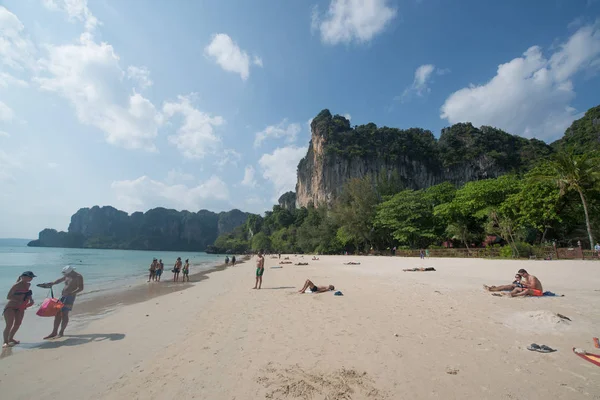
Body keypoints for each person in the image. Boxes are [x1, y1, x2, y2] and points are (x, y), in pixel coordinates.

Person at [38, 266, 84, 339]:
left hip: (70, 297)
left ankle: (61, 332)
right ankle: (54, 332)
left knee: (64, 314)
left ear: (72, 271)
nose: (66, 275)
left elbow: (81, 288)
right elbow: (60, 280)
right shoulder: (67, 275)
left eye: (67, 273)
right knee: (57, 313)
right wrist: (52, 283)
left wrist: (71, 293)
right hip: (62, 296)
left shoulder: (78, 276)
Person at [3, 271, 36, 348]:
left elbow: (28, 293)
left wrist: (31, 300)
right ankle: (5, 342)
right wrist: (19, 301)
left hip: (21, 307)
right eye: (30, 277)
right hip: (10, 307)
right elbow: (8, 297)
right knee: (9, 325)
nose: (31, 279)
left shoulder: (28, 284)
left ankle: (10, 338)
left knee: (18, 324)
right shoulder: (16, 285)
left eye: (32, 277)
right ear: (23, 277)